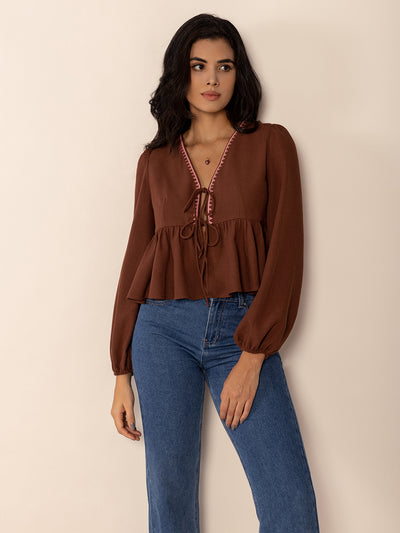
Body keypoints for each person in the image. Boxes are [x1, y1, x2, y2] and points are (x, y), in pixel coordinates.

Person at [109, 13, 320, 533]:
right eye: (198, 66)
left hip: (241, 329)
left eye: (224, 67)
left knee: (289, 500)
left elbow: (286, 253)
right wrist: (121, 370)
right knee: (169, 495)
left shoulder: (271, 144)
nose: (211, 79)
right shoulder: (155, 162)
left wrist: (253, 354)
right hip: (161, 332)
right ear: (179, 75)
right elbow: (137, 258)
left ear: (238, 74)